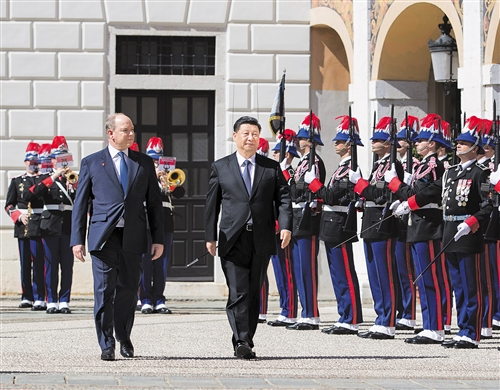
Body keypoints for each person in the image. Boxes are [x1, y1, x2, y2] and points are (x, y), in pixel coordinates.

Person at [71, 113, 164, 361]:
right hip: (104, 237)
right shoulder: (92, 162)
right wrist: (77, 239)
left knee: (128, 289)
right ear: (110, 133)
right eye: (126, 130)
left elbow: (154, 203)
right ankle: (106, 343)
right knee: (104, 290)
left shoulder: (143, 163)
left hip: (133, 235)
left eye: (132, 130)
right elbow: (80, 204)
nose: (131, 134)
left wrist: (158, 238)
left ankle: (124, 336)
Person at [205, 116, 292, 359]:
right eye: (245, 133)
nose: (250, 138)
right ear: (235, 136)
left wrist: (285, 226)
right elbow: (212, 204)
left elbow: (284, 198)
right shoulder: (220, 167)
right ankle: (241, 341)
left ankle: (247, 338)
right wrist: (210, 236)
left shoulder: (270, 168)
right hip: (232, 238)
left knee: (253, 292)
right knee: (238, 291)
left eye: (255, 133)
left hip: (261, 238)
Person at [384, 114, 451, 344]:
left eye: (421, 140)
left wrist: (395, 184)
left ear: (432, 143)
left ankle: (436, 327)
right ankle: (430, 324)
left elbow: (420, 196)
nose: (416, 143)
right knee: (423, 279)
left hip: (428, 225)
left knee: (431, 277)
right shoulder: (424, 166)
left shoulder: (435, 166)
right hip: (418, 225)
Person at [303, 115, 364, 335]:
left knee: (345, 272)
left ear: (349, 144)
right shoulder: (341, 168)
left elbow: (331, 196)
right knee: (337, 274)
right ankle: (344, 315)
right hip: (330, 224)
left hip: (340, 225)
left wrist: (314, 183)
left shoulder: (351, 169)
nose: (335, 143)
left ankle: (352, 318)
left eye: (340, 141)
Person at [349, 116, 404, 339]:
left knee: (385, 273)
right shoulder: (378, 166)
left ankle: (388, 321)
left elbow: (384, 196)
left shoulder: (394, 166)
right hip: (370, 223)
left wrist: (360, 185)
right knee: (373, 274)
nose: (373, 142)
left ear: (389, 144)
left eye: (379, 139)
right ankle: (380, 317)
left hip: (383, 224)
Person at [440, 116, 492, 349]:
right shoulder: (451, 172)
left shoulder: (480, 173)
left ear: (474, 148)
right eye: (458, 142)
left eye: (463, 142)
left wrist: (471, 223)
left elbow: (487, 206)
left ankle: (472, 332)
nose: (458, 145)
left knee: (471, 286)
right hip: (451, 231)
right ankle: (463, 328)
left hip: (468, 233)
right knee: (458, 286)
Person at [284, 113, 326, 331]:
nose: (298, 142)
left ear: (309, 141)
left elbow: (312, 191)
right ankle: (305, 312)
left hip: (307, 220)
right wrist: (286, 171)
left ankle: (311, 314)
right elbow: (292, 190)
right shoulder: (302, 164)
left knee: (307, 268)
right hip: (298, 219)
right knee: (299, 268)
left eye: (301, 138)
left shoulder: (315, 163)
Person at [140, 137, 185, 315]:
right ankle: (145, 299)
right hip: (146, 223)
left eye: (158, 160)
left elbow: (181, 193)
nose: (155, 163)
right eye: (152, 160)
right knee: (145, 263)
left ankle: (159, 299)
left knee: (161, 264)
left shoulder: (168, 177)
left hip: (165, 223)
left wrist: (168, 182)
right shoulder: (142, 174)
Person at [32, 138, 77, 314]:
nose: (62, 161)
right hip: (50, 225)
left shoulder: (73, 178)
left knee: (67, 265)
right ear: (52, 160)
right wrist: (55, 175)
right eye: (58, 157)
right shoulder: (45, 178)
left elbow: (83, 200)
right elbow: (35, 193)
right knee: (50, 265)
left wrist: (74, 184)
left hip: (68, 226)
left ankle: (64, 300)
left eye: (64, 157)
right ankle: (51, 300)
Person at [5, 142, 46, 310]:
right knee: (24, 263)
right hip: (23, 225)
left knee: (39, 263)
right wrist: (18, 216)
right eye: (30, 161)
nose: (32, 164)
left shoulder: (44, 180)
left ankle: (39, 296)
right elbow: (9, 205)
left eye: (35, 161)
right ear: (25, 162)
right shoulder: (17, 181)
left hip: (40, 224)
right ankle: (26, 295)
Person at [267, 130, 300, 327]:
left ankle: (290, 310)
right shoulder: (279, 172)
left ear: (286, 154)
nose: (273, 155)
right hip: (274, 225)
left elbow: (289, 197)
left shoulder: (291, 173)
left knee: (287, 270)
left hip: (284, 227)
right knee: (279, 270)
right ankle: (284, 308)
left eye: (277, 152)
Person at [392, 116, 419, 331]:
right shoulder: (397, 164)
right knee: (398, 267)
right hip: (397, 220)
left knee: (406, 268)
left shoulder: (416, 165)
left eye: (401, 140)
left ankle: (409, 313)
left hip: (410, 220)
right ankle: (402, 309)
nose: (397, 143)